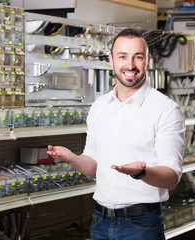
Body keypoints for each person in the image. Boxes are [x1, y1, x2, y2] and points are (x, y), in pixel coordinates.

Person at [47, 28, 185, 240]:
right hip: (100, 220)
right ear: (111, 60)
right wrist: (73, 158)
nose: (130, 65)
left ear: (147, 61)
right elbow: (94, 166)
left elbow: (171, 177)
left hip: (141, 225)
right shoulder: (100, 106)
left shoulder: (165, 109)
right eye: (122, 57)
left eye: (137, 57)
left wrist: (141, 173)